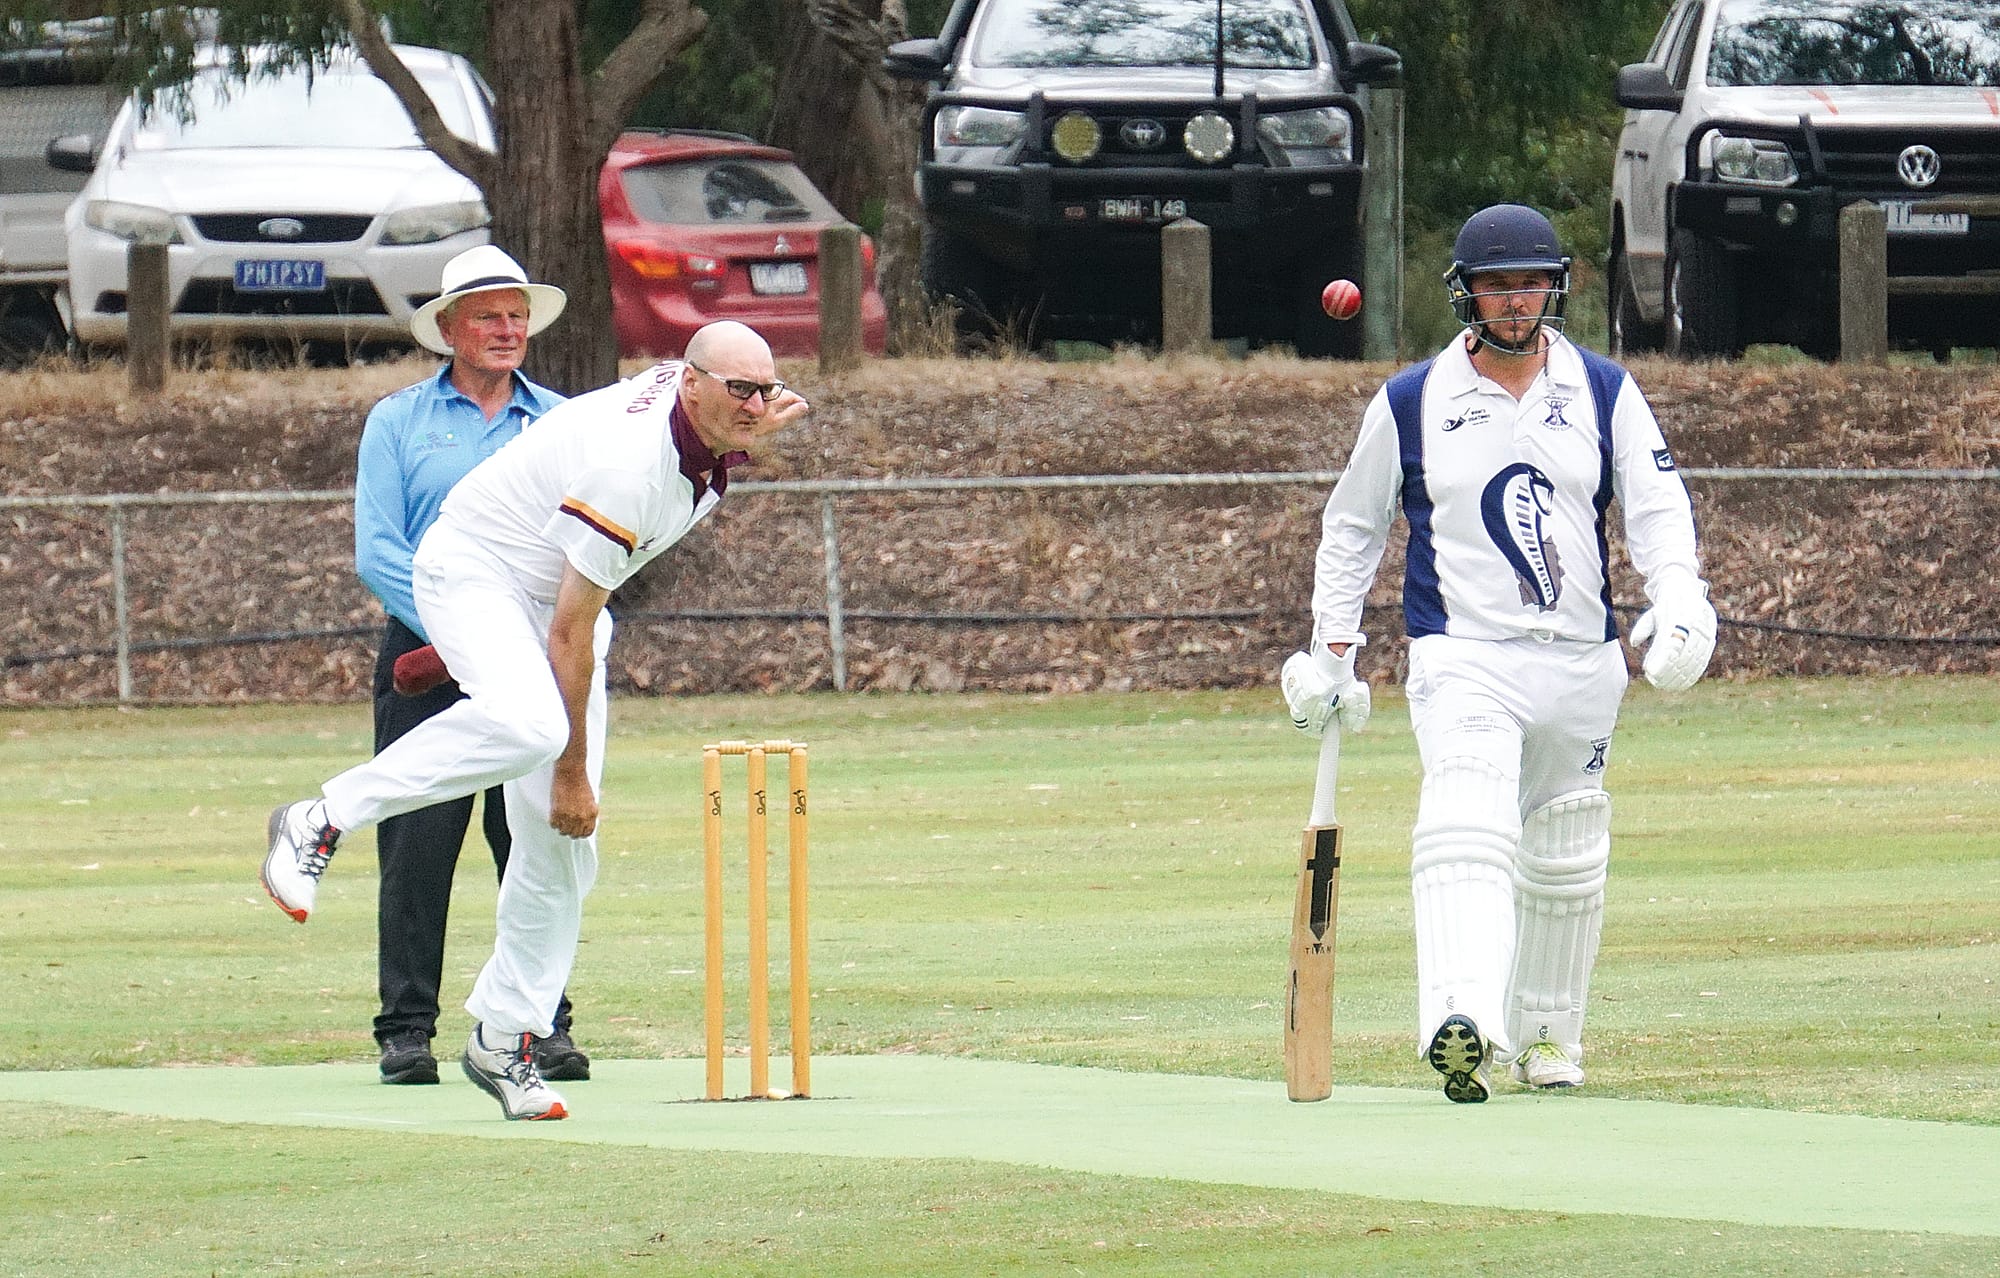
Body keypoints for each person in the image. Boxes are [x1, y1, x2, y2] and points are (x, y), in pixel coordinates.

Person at [261, 319, 810, 1120]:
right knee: (535, 732)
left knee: (561, 852)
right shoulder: (633, 470)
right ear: (688, 382)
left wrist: (752, 418)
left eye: (766, 390)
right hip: (478, 570)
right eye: (740, 391)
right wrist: (571, 773)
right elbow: (569, 633)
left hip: (548, 588)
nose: (757, 405)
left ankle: (504, 1036)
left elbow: (577, 607)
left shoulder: (697, 404)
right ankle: (319, 816)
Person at [1280, 204, 1716, 1103]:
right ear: (1465, 292)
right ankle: (1461, 1016)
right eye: (1496, 285)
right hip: (1464, 654)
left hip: (1581, 664)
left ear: (1553, 286)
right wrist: (1333, 652)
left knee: (1566, 849)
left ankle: (1551, 1040)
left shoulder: (1602, 389)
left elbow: (1657, 506)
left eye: (1529, 283)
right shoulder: (1410, 401)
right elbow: (1352, 529)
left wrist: (1681, 595)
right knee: (1466, 815)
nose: (1515, 302)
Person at [351, 244, 588, 1088]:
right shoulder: (400, 420)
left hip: (533, 648)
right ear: (447, 327)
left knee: (532, 837)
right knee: (418, 840)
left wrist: (522, 635)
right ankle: (406, 1030)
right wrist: (458, 634)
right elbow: (378, 549)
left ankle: (539, 1026)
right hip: (425, 651)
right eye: (488, 315)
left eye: (517, 315)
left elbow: (582, 543)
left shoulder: (560, 420)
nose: (506, 329)